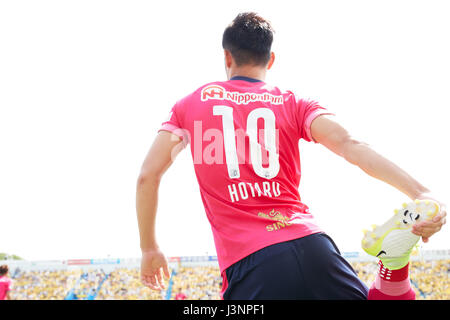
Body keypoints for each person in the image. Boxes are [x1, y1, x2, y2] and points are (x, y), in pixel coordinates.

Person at [136, 12, 446, 299]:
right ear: (270, 60)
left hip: (250, 260)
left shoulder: (189, 106)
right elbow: (351, 145)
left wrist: (149, 248)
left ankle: (394, 260)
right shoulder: (293, 103)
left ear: (227, 57)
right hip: (312, 245)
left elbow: (148, 176)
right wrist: (421, 193)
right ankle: (394, 263)